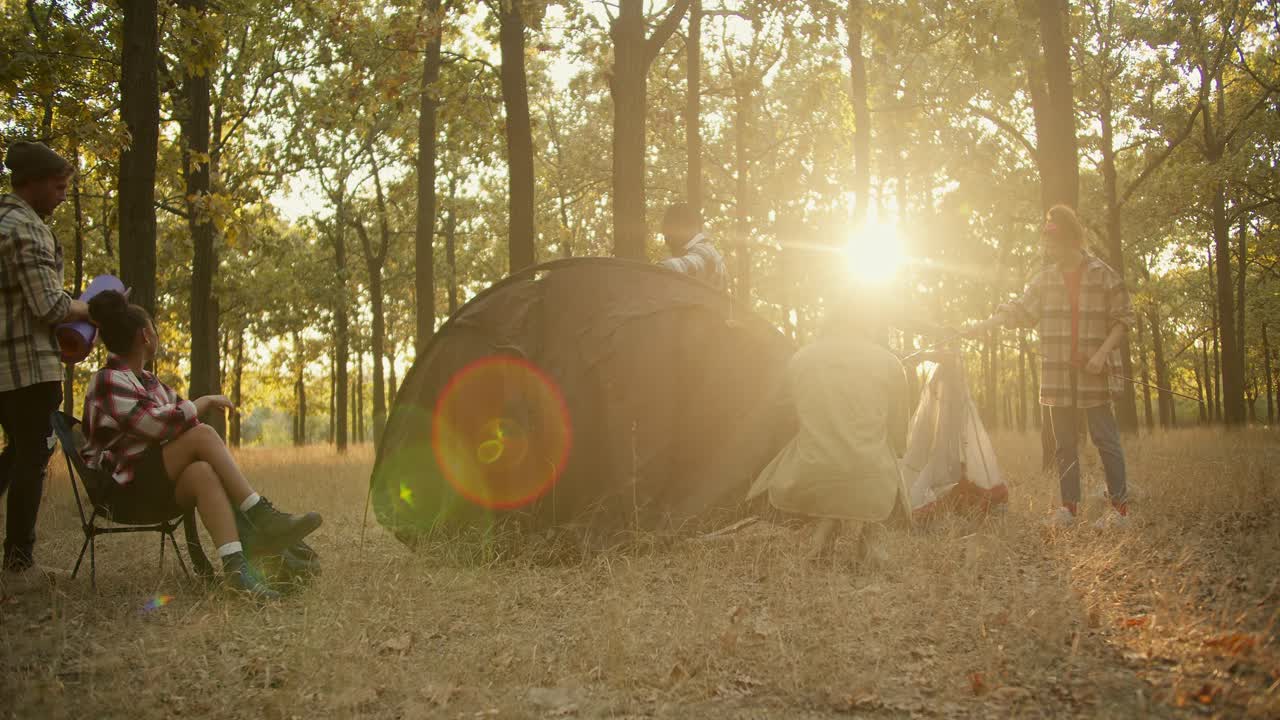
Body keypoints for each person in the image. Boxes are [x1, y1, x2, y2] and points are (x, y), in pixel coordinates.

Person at [80, 290, 322, 598]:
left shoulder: (150, 383)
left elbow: (182, 422)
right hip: (120, 492)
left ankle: (237, 572)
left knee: (203, 472)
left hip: (150, 484)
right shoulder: (108, 380)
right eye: (154, 328)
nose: (156, 334)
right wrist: (203, 402)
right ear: (145, 335)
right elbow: (154, 424)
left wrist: (192, 418)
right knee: (204, 434)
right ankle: (262, 516)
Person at [964, 204, 1135, 529]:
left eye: (1052, 242)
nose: (1048, 248)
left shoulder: (1102, 274)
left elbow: (1124, 318)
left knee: (1105, 439)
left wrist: (1101, 354)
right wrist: (986, 323)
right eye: (1046, 241)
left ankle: (1120, 510)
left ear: (1071, 239)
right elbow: (1020, 310)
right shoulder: (1045, 280)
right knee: (1064, 444)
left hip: (1093, 373)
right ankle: (1069, 509)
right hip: (1058, 375)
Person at [747, 291, 910, 564]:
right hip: (871, 482)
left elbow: (785, 417)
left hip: (808, 476)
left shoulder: (800, 359)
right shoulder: (891, 363)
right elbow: (899, 436)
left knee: (817, 450)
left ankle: (823, 532)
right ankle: (870, 537)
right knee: (881, 456)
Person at [0, 141, 90, 574]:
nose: (62, 194)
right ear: (32, 182)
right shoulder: (28, 228)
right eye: (57, 186)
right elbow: (50, 307)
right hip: (27, 367)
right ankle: (20, 559)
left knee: (17, 451)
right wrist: (91, 307)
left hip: (5, 365)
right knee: (33, 455)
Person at [657, 203, 728, 291]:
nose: (667, 241)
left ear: (680, 227)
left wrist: (652, 271)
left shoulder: (706, 252)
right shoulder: (703, 250)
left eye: (668, 233)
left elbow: (689, 266)